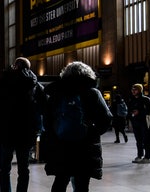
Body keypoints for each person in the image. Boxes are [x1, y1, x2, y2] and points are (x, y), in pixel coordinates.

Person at [43, 61, 112, 192]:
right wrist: (93, 132)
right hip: (85, 147)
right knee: (82, 184)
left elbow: (46, 119)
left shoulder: (56, 93)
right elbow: (106, 118)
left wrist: (55, 133)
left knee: (60, 181)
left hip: (61, 145)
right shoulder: (93, 93)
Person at [0, 57, 46, 192]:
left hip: (6, 132)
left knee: (4, 169)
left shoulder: (3, 82)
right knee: (24, 169)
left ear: (15, 66)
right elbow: (45, 104)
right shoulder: (34, 85)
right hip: (26, 133)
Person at [128, 83, 150, 163]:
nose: (133, 91)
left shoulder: (146, 99)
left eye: (135, 89)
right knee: (138, 140)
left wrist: (139, 112)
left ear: (139, 90)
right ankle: (139, 155)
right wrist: (131, 114)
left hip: (144, 123)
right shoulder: (132, 100)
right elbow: (129, 110)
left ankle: (147, 157)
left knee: (146, 140)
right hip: (136, 122)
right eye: (132, 89)